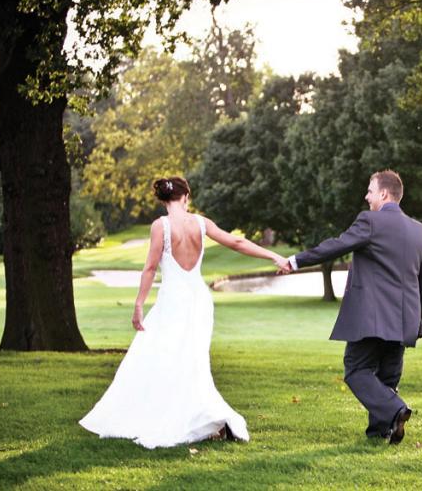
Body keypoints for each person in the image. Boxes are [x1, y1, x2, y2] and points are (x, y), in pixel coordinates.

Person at [79, 176, 290, 449]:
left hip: (173, 301)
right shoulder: (201, 223)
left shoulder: (161, 226)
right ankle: (203, 417)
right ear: (186, 197)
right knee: (194, 360)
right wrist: (274, 256)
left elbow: (150, 268)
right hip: (199, 300)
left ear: (165, 200)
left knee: (165, 357)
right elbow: (237, 243)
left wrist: (139, 304)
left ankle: (183, 417)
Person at [285, 170, 422, 444]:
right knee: (387, 377)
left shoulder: (370, 221)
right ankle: (380, 431)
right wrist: (420, 318)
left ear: (384, 194)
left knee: (356, 370)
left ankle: (396, 410)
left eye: (370, 190)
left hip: (371, 318)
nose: (366, 196)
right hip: (404, 319)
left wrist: (295, 261)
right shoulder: (420, 231)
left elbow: (335, 246)